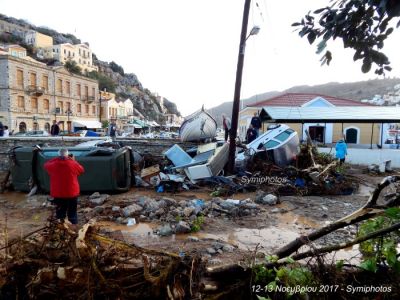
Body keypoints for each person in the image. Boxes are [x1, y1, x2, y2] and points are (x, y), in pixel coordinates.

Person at [44, 148, 84, 224]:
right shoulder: (73, 163)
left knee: (60, 213)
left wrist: (58, 158)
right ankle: (73, 226)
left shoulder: (52, 165)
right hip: (72, 192)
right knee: (72, 212)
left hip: (58, 193)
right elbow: (81, 170)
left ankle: (61, 226)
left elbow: (46, 164)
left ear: (58, 155)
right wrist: (72, 160)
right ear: (67, 155)